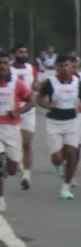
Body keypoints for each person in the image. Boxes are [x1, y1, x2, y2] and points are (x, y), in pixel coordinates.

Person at [37, 55, 81, 200]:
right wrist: (48, 105)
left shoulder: (77, 82)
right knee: (58, 159)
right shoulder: (50, 82)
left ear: (71, 67)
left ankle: (66, 188)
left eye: (67, 65)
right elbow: (38, 98)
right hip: (54, 123)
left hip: (72, 121)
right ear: (57, 68)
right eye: (61, 66)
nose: (65, 68)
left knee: (72, 152)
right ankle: (58, 164)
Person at [0, 51, 35, 213]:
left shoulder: (16, 83)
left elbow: (31, 101)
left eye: (4, 63)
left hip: (12, 128)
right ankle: (1, 199)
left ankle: (8, 168)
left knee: (12, 169)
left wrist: (18, 111)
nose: (2, 66)